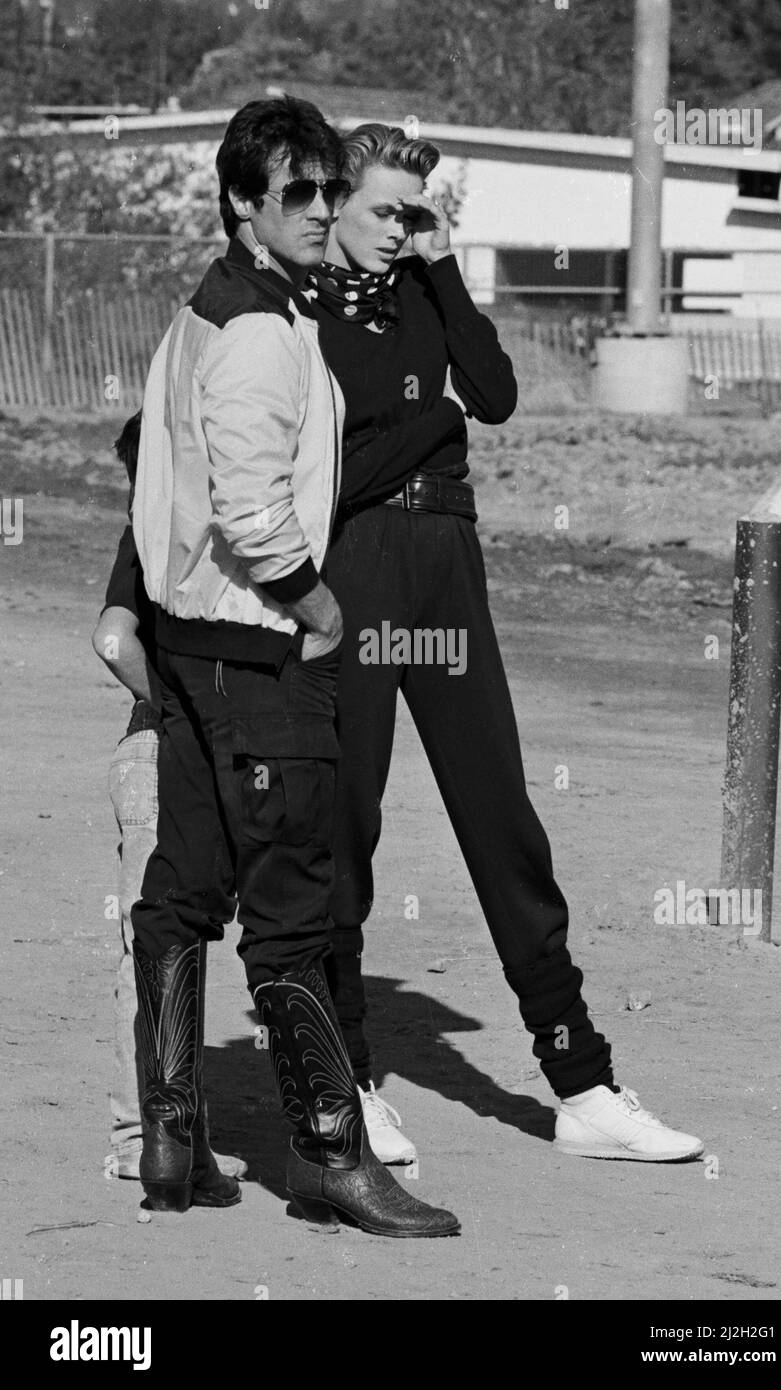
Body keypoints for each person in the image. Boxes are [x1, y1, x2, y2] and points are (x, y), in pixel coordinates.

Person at [308, 123, 704, 1166]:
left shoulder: (423, 292)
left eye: (416, 215)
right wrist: (428, 426)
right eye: (387, 211)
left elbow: (494, 395)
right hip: (350, 566)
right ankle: (343, 1077)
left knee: (502, 818)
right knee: (343, 829)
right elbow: (327, 463)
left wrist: (440, 274)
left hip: (446, 561)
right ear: (335, 201)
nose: (401, 229)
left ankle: (581, 1081)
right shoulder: (295, 309)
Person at [128, 98, 459, 1237]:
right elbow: (253, 510)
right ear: (243, 204)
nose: (322, 211)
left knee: (181, 893)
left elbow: (151, 462)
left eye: (330, 189)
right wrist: (318, 606)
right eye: (299, 195)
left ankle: (175, 1136)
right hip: (257, 658)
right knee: (294, 914)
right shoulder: (260, 329)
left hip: (188, 653)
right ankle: (328, 1154)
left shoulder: (209, 311)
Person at [92, 416, 246, 1184]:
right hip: (167, 750)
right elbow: (113, 643)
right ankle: (139, 1137)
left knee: (158, 943)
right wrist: (181, 709)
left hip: (157, 751)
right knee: (163, 946)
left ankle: (161, 1136)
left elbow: (119, 639)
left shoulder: (151, 536)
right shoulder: (174, 537)